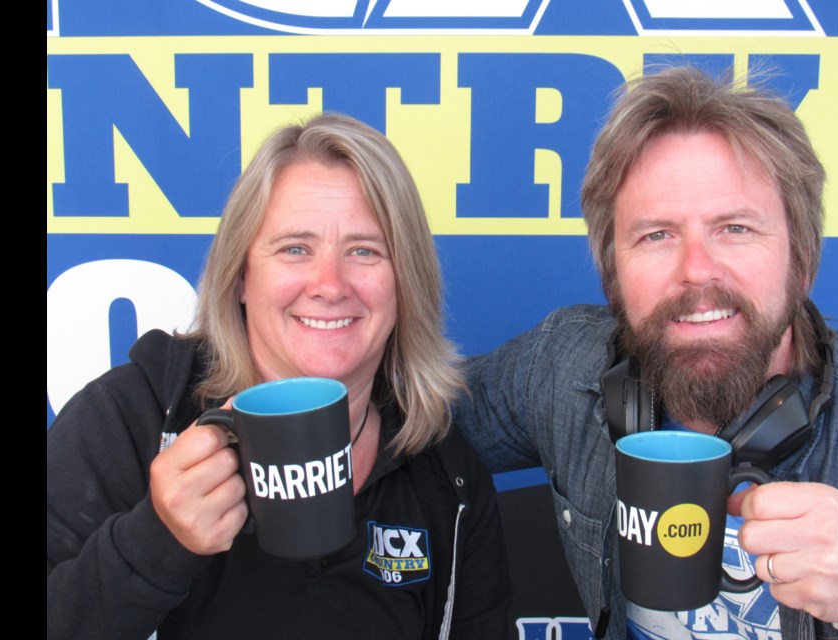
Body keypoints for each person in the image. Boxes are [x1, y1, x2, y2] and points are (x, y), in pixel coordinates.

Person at [455, 67, 838, 640]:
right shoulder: (560, 369)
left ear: (802, 258)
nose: (696, 271)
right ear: (613, 276)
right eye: (657, 235)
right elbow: (407, 417)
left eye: (735, 228)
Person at [47, 113, 512, 639]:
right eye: (295, 248)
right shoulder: (129, 419)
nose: (330, 285)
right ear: (242, 275)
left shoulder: (444, 472)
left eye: (365, 251)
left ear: (405, 283)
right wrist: (156, 543)